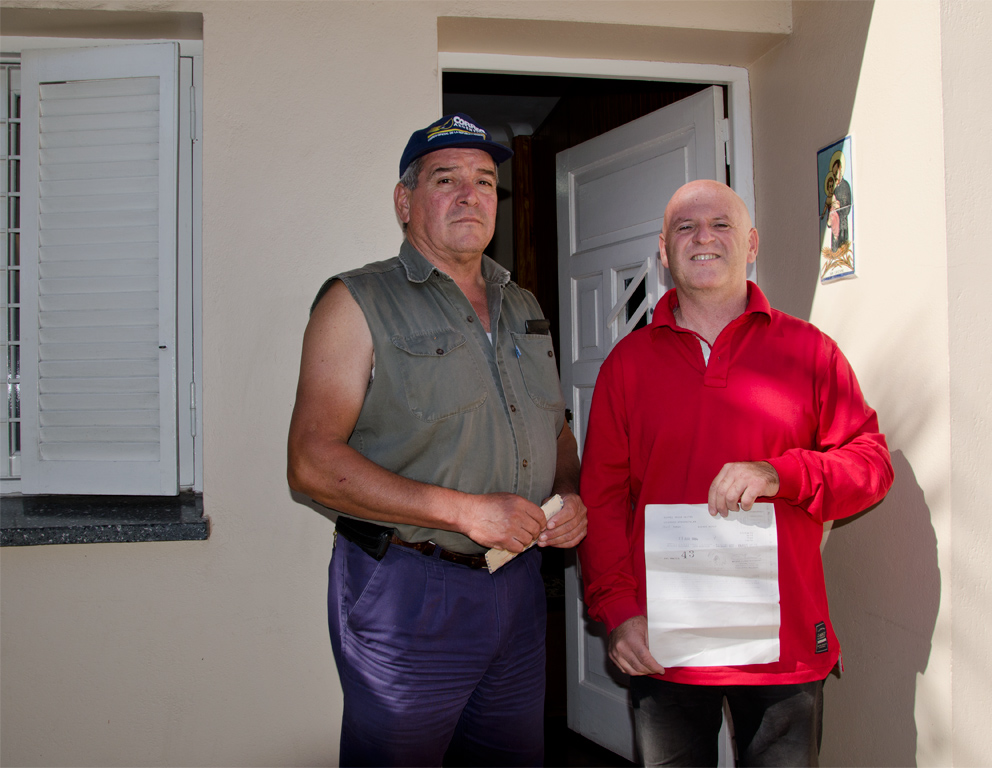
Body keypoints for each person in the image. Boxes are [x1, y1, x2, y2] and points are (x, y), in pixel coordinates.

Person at [287, 113, 587, 767]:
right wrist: (466, 511)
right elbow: (310, 462)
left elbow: (555, 427)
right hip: (409, 590)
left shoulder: (525, 305)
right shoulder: (356, 300)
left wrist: (570, 492)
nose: (470, 195)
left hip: (518, 586)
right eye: (445, 179)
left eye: (485, 182)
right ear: (405, 200)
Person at [577, 179, 893, 766]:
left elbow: (871, 466)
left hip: (784, 645)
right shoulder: (627, 365)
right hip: (664, 644)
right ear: (664, 250)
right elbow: (600, 501)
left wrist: (782, 474)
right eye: (685, 228)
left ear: (750, 243)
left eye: (721, 225)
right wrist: (617, 613)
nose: (704, 238)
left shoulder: (811, 352)